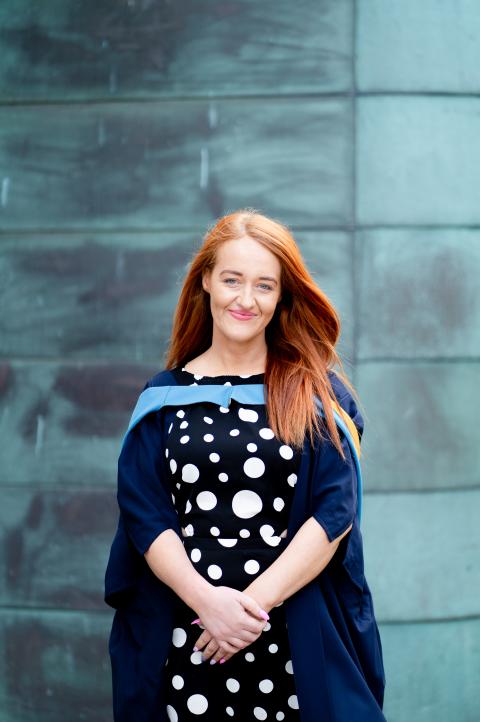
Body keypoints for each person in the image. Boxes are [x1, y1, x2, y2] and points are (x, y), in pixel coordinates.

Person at [104, 208, 387, 722]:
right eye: (232, 280)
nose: (245, 299)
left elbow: (332, 515)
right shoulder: (163, 398)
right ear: (206, 279)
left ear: (281, 297)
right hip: (186, 636)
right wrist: (207, 605)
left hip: (294, 640)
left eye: (264, 285)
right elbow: (145, 515)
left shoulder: (315, 395)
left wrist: (249, 610)